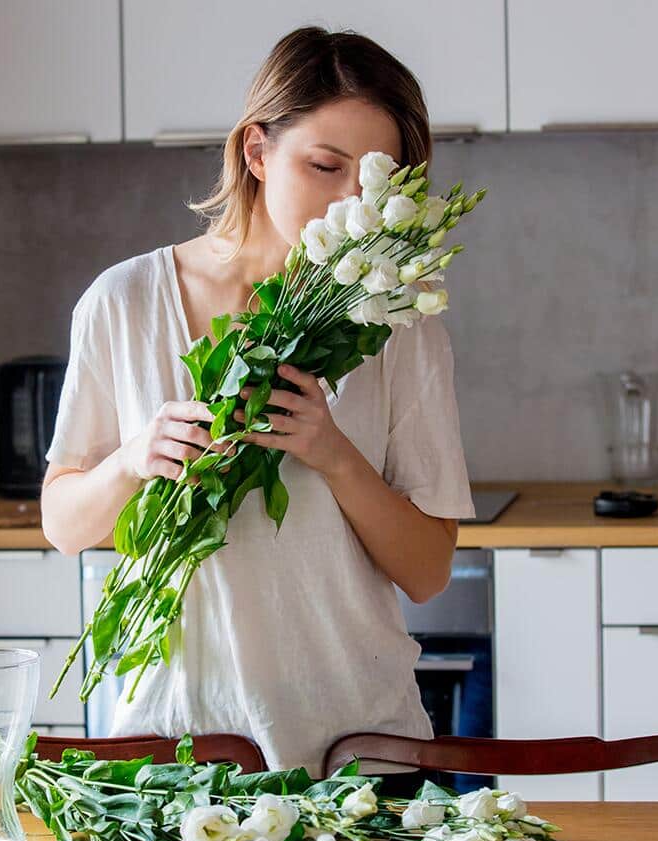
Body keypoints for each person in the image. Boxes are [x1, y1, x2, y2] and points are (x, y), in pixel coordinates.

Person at [39, 26, 474, 798]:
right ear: (256, 151)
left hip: (359, 749)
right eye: (324, 167)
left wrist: (333, 454)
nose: (349, 203)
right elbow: (64, 525)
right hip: (169, 749)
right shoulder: (125, 303)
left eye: (375, 184)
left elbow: (428, 570)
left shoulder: (400, 325)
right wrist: (135, 458)